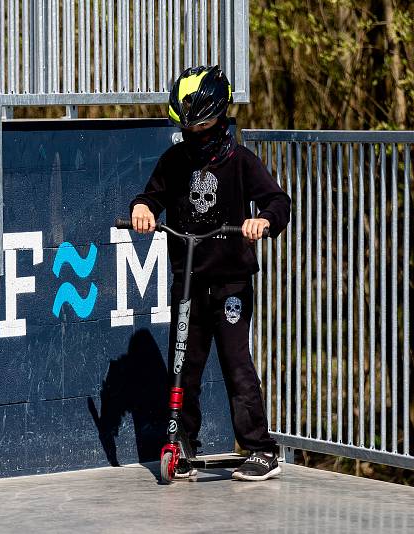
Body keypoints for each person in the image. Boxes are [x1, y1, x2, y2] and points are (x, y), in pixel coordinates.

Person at [130, 65, 291, 481]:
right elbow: (151, 194)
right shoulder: (175, 160)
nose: (195, 134)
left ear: (220, 119)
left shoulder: (240, 161)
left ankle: (260, 449)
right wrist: (143, 209)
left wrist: (263, 222)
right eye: (188, 127)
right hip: (189, 280)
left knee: (236, 362)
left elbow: (277, 201)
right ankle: (181, 444)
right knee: (184, 363)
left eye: (201, 125)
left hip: (232, 280)